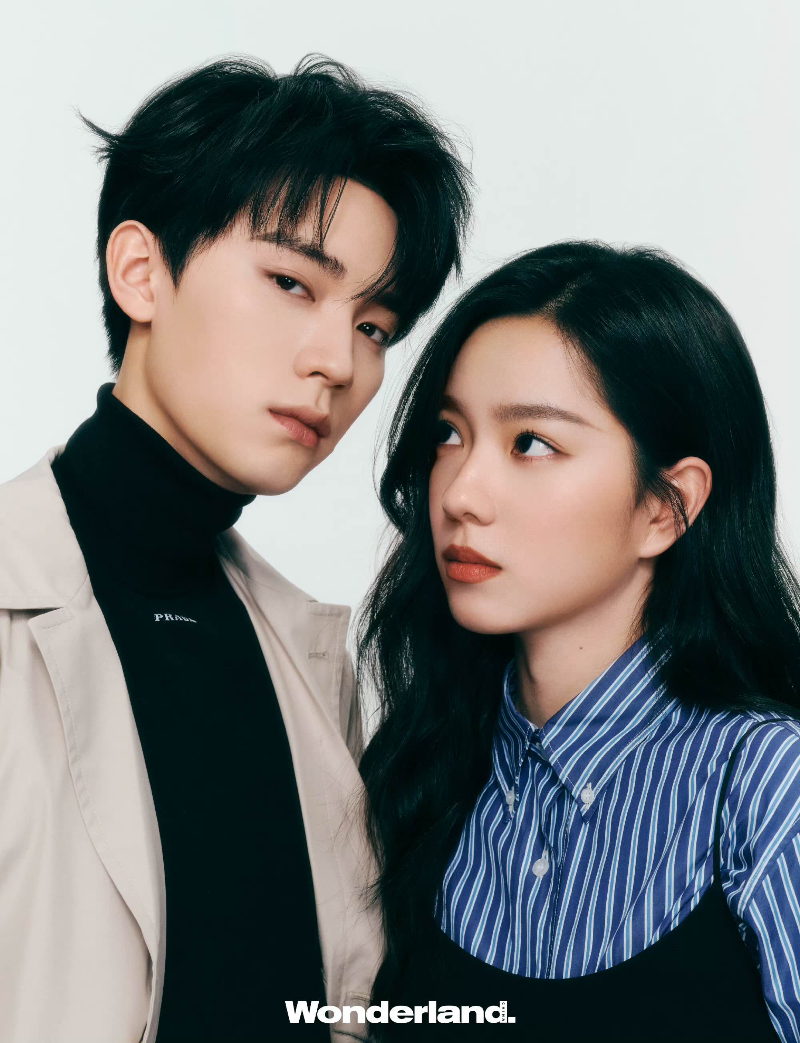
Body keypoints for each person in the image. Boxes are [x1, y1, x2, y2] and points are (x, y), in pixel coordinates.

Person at [0, 56, 470, 1043]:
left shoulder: (310, 659)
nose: (337, 362)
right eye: (292, 283)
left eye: (374, 325)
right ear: (141, 273)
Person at [358, 241, 800, 1042]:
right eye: (449, 434)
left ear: (666, 506)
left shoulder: (766, 785)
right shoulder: (418, 774)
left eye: (531, 442)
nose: (460, 493)